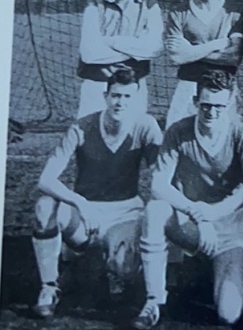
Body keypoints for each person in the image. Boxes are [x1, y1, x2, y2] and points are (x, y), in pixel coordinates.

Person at [131, 70, 243, 330]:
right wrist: (196, 213)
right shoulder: (179, 131)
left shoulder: (242, 132)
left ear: (231, 102)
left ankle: (212, 269)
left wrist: (215, 212)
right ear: (195, 102)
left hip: (230, 230)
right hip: (192, 224)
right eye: (206, 105)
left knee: (228, 315)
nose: (212, 112)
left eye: (219, 106)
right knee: (155, 210)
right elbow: (158, 184)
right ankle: (155, 300)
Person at [31, 68, 162, 318]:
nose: (119, 102)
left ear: (136, 99)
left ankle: (99, 261)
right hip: (85, 213)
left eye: (126, 97)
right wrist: (80, 202)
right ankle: (50, 286)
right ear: (105, 96)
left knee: (124, 267)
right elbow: (45, 179)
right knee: (44, 207)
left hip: (124, 212)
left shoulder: (146, 126)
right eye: (115, 95)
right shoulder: (82, 127)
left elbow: (160, 178)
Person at [77, 0, 164, 118]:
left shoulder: (150, 6)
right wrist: (135, 49)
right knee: (88, 138)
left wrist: (111, 42)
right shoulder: (95, 5)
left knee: (132, 138)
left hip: (133, 84)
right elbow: (88, 53)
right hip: (97, 82)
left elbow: (154, 49)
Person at [164, 0, 243, 127]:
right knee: (178, 138)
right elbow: (175, 57)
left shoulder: (235, 12)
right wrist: (218, 44)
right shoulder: (178, 12)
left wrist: (191, 51)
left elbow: (233, 57)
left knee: (224, 141)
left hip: (224, 87)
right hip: (188, 85)